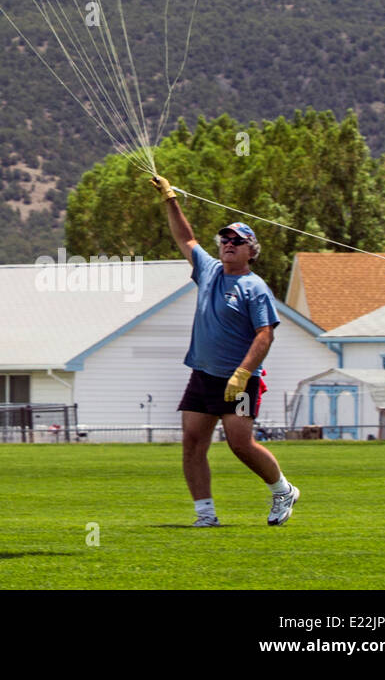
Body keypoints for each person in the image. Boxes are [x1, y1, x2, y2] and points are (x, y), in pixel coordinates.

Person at [151, 175, 300, 527]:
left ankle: (283, 490)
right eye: (225, 239)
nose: (228, 244)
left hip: (241, 381)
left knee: (240, 443)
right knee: (192, 442)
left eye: (238, 240)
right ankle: (205, 516)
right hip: (203, 375)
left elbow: (265, 335)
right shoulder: (209, 271)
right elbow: (185, 238)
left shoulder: (254, 287)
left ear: (251, 250)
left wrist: (243, 372)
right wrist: (169, 198)